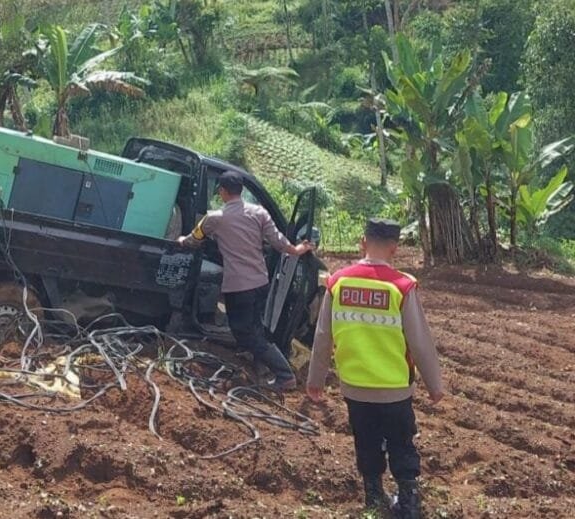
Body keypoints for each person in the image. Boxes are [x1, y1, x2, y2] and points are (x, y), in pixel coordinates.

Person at [305, 218, 444, 518]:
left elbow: (322, 335)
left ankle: (373, 496)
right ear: (394, 249)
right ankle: (407, 502)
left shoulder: (338, 282)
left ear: (362, 242)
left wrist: (315, 379)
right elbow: (419, 342)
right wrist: (435, 386)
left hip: (355, 386)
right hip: (394, 388)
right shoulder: (402, 287)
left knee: (365, 440)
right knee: (401, 441)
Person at [177, 170, 313, 391]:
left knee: (244, 331)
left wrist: (181, 240)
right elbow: (279, 241)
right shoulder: (259, 213)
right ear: (240, 190)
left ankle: (284, 375)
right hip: (260, 282)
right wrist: (297, 249)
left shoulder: (214, 218)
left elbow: (194, 239)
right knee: (254, 328)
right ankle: (258, 362)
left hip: (238, 287)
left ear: (222, 191)